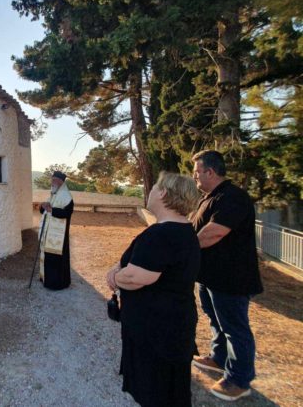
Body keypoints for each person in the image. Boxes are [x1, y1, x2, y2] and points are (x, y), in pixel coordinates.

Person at [106, 172, 201, 407]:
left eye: (155, 186)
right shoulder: (182, 230)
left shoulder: (161, 234)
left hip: (156, 331)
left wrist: (115, 277)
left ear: (164, 193)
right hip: (172, 325)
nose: (150, 190)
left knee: (156, 392)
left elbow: (136, 277)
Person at [190, 150, 263, 402]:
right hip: (210, 275)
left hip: (231, 278)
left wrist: (183, 248)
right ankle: (219, 358)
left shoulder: (233, 197)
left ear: (210, 172)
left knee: (234, 327)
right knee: (215, 319)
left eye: (197, 172)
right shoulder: (209, 198)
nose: (194, 177)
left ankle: (239, 380)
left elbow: (214, 233)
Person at [38, 170, 74, 290]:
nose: (52, 182)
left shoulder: (66, 197)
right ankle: (46, 279)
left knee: (56, 258)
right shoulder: (54, 194)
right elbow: (45, 211)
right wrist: (43, 206)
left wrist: (51, 210)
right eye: (52, 180)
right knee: (48, 256)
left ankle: (56, 283)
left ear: (61, 182)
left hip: (59, 235)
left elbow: (67, 213)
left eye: (54, 180)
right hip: (48, 232)